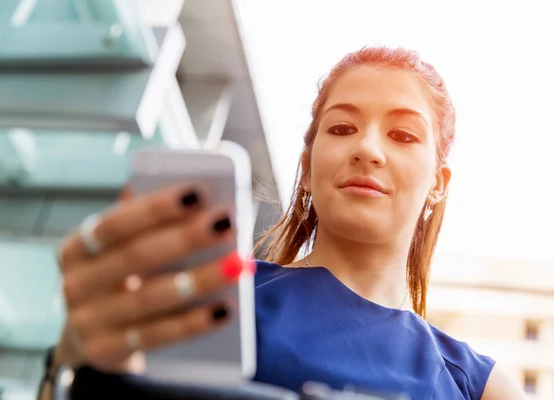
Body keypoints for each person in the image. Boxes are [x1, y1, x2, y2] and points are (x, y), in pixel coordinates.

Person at [38, 47, 526, 400]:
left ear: (438, 183)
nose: (367, 149)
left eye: (401, 134)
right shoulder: (207, 295)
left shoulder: (482, 388)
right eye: (341, 128)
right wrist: (74, 364)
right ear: (309, 165)